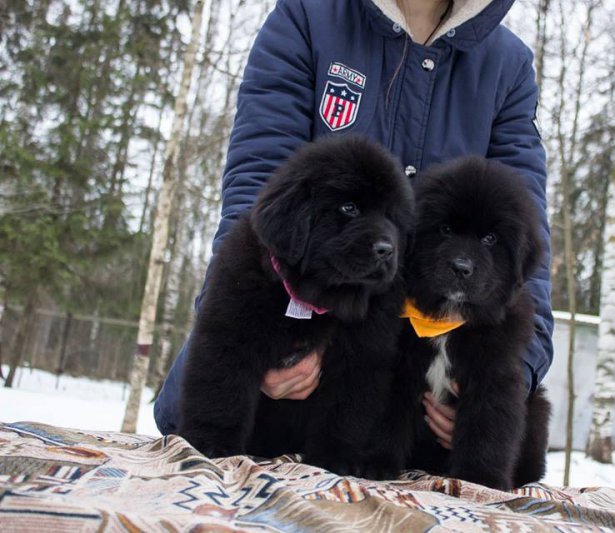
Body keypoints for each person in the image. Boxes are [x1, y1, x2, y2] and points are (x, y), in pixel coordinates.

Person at [154, 0, 554, 451]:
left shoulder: (507, 65)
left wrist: (506, 383)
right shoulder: (308, 16)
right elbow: (258, 196)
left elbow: (522, 241)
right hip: (269, 392)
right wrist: (253, 348)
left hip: (395, 420)